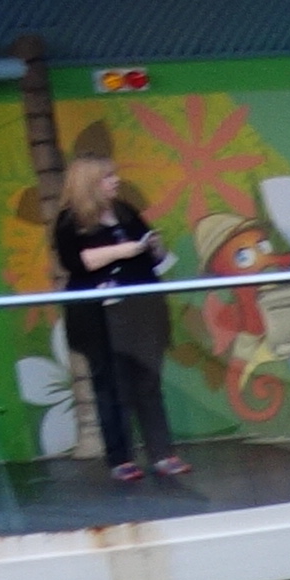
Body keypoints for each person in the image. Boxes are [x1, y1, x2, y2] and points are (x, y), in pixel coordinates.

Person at [51, 138, 182, 489]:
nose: (116, 182)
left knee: (148, 381)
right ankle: (121, 458)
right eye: (108, 177)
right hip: (100, 317)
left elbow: (151, 253)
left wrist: (153, 247)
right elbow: (81, 261)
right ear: (91, 183)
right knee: (112, 386)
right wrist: (125, 249)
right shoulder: (71, 221)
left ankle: (162, 453)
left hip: (140, 310)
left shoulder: (125, 211)